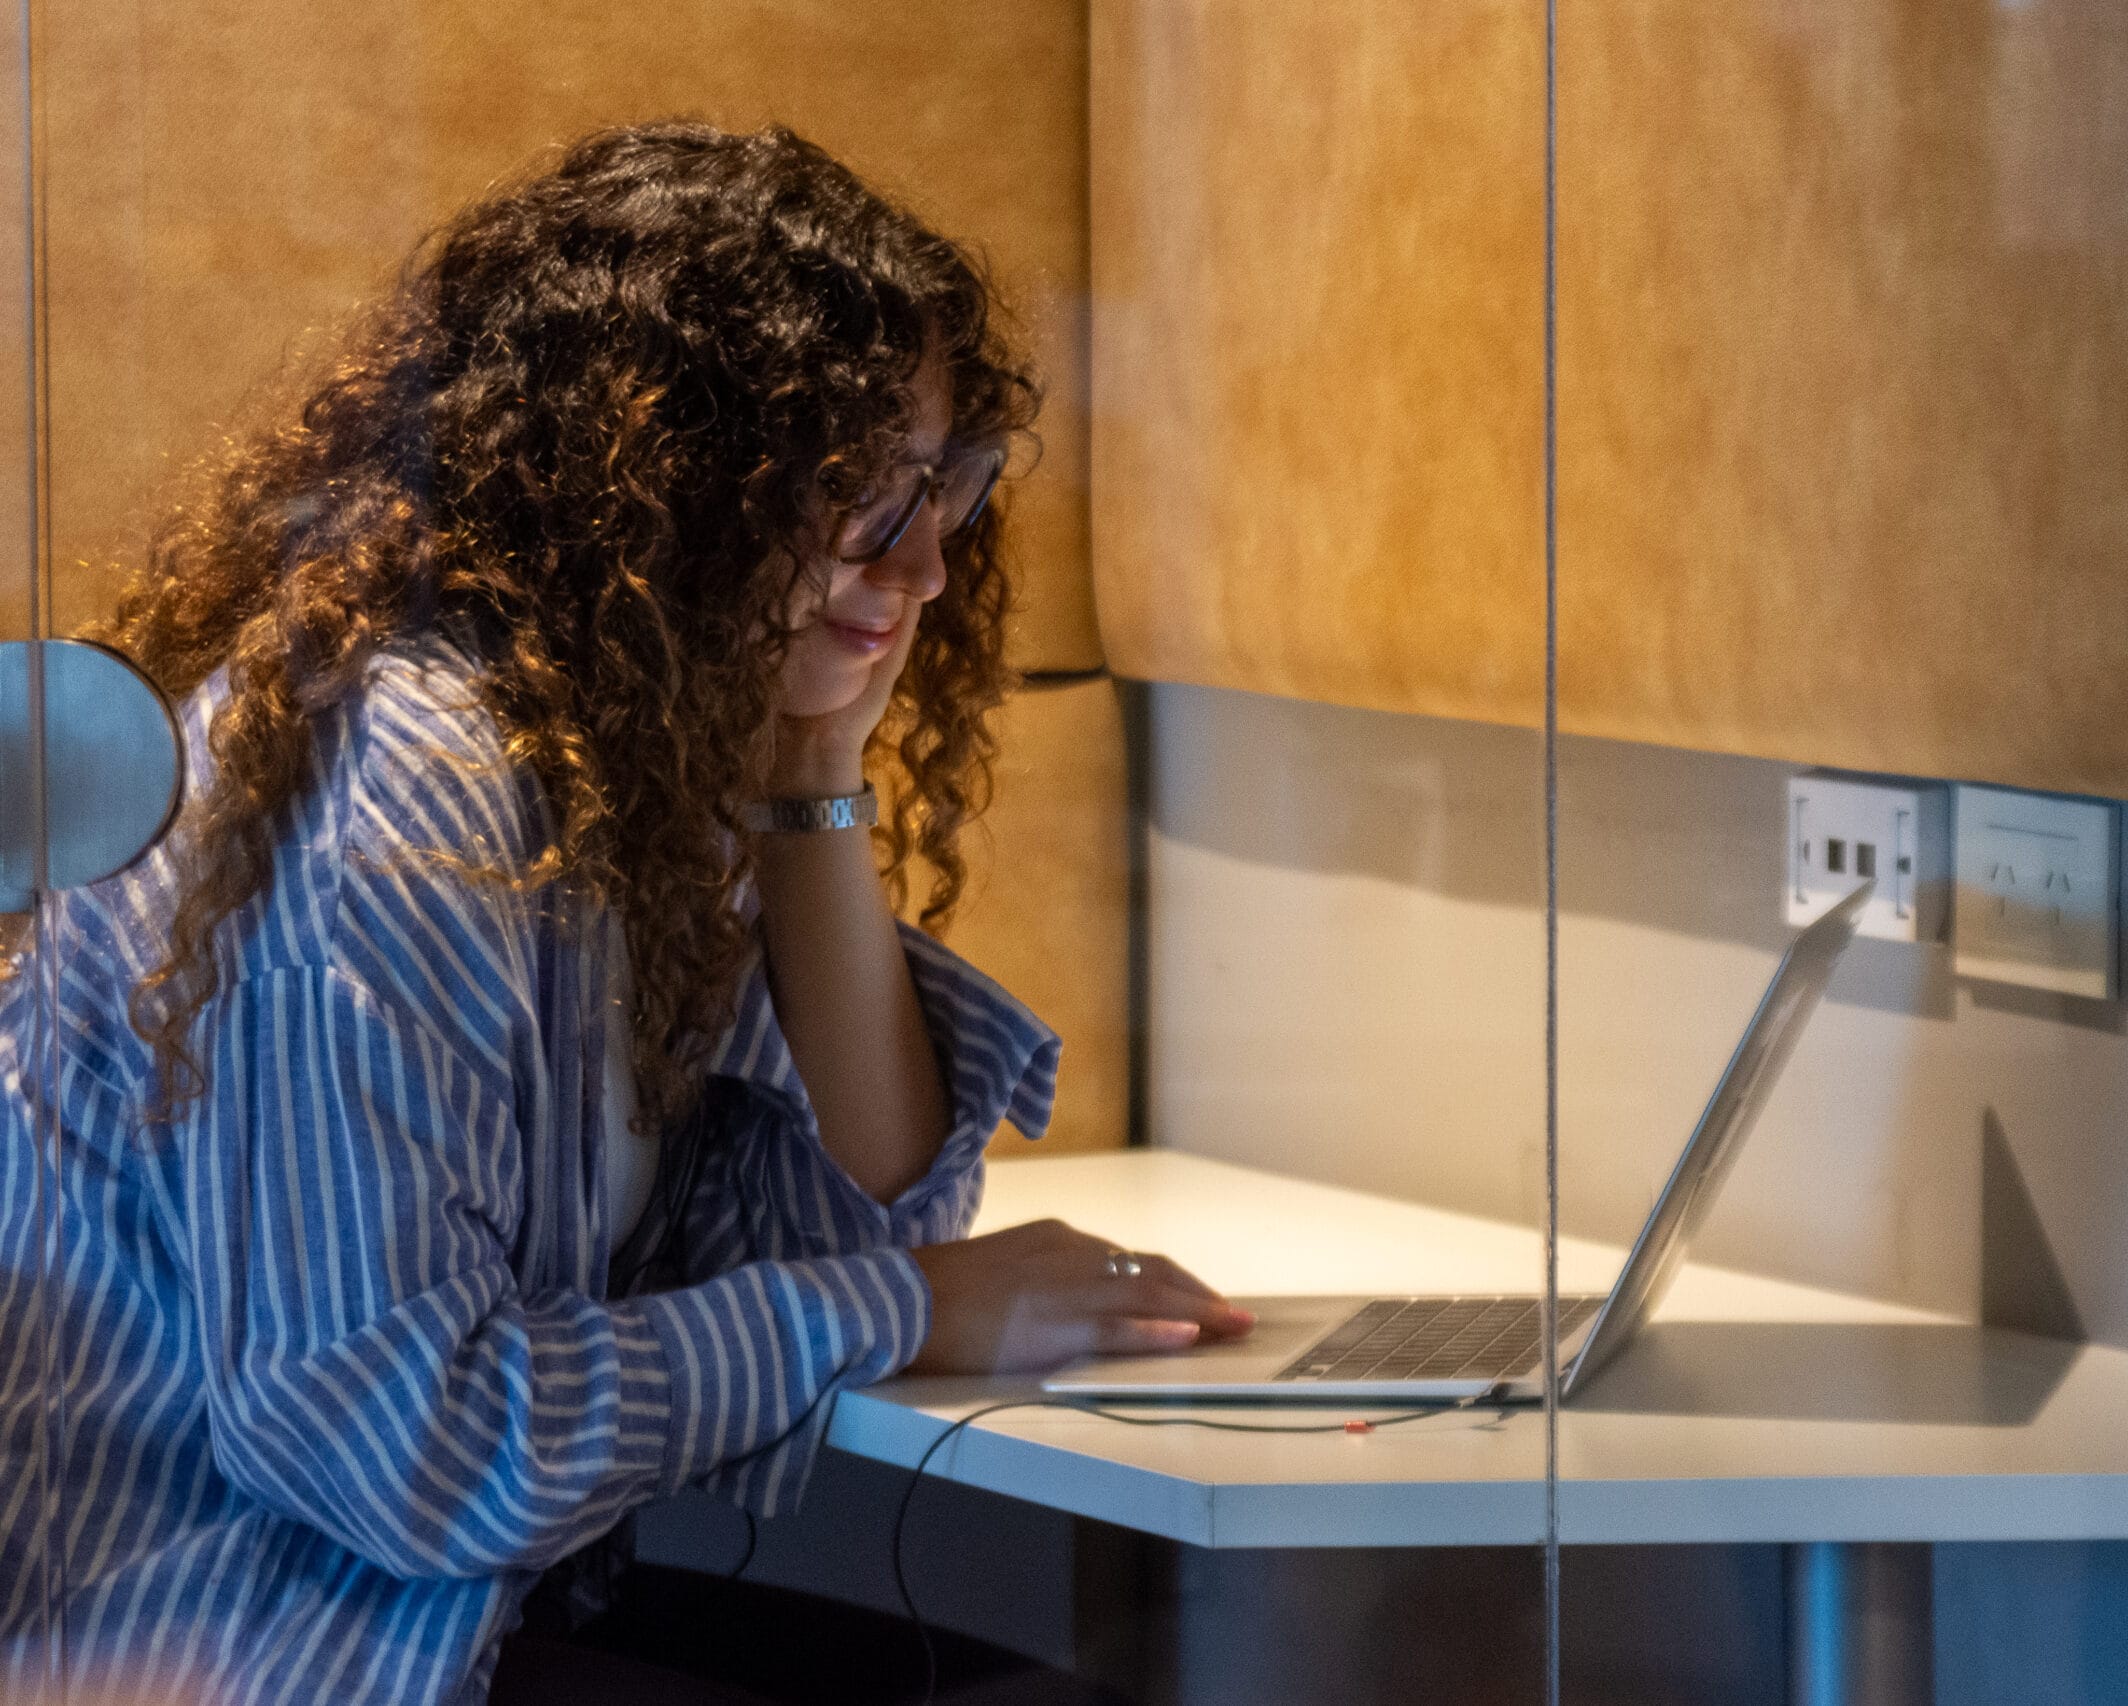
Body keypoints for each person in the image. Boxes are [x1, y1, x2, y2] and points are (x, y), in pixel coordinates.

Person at [0, 121, 1250, 1705]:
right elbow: (404, 1445)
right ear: (671, 479)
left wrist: (811, 776)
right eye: (869, 494)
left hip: (424, 1620)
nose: (931, 564)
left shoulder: (620, 756)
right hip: (254, 1647)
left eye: (947, 486)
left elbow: (860, 1216)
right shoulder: (403, 781)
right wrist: (910, 1308)